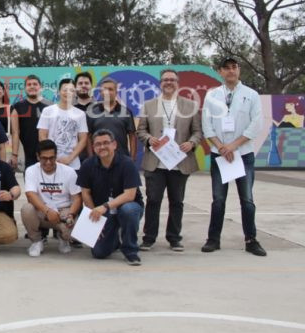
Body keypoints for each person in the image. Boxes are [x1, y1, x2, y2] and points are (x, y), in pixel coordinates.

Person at [201, 58, 266, 256]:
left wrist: (233, 146)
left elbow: (256, 124)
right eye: (226, 68)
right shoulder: (212, 95)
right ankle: (213, 239)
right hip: (219, 155)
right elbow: (206, 125)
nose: (231, 71)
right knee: (218, 200)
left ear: (239, 70)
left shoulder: (251, 94)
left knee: (247, 200)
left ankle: (251, 240)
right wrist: (221, 147)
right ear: (220, 71)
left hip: (243, 155)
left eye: (234, 67)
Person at [136, 69, 203, 252]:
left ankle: (174, 238)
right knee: (153, 201)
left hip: (179, 163)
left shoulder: (190, 105)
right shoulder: (149, 105)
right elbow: (141, 130)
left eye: (172, 79)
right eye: (165, 79)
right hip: (155, 163)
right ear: (160, 83)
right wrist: (149, 139)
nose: (168, 82)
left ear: (178, 83)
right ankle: (149, 238)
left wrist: (191, 143)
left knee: (177, 202)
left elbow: (198, 132)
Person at [77, 129, 144, 266]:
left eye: (106, 143)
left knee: (129, 211)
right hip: (103, 212)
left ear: (114, 144)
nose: (102, 147)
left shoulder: (127, 163)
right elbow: (85, 193)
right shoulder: (87, 165)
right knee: (99, 252)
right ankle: (115, 240)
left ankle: (130, 251)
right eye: (98, 144)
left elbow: (130, 195)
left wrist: (105, 206)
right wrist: (94, 213)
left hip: (126, 207)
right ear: (93, 147)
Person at [21, 139, 82, 256]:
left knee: (74, 232)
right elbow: (30, 194)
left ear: (56, 156)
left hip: (63, 211)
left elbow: (77, 198)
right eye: (44, 158)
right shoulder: (31, 170)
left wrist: (71, 215)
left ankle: (63, 239)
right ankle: (36, 241)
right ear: (38, 157)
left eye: (52, 158)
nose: (48, 162)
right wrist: (47, 211)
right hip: (41, 211)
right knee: (26, 209)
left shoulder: (69, 172)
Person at [37, 78, 88, 170]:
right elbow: (42, 136)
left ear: (75, 93)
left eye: (71, 90)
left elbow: (83, 139)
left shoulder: (80, 114)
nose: (68, 93)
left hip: (73, 165)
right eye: (65, 90)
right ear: (59, 92)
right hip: (51, 163)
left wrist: (69, 159)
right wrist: (53, 157)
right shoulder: (47, 111)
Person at [85, 78, 136, 158]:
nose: (107, 92)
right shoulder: (92, 113)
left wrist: (132, 159)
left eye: (110, 89)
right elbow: (88, 137)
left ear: (116, 92)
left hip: (122, 159)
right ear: (101, 92)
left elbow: (132, 136)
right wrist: (91, 158)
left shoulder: (126, 112)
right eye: (105, 89)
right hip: (99, 160)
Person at [10, 74, 48, 169]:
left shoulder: (49, 106)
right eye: (29, 84)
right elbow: (15, 133)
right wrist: (14, 155)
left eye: (35, 84)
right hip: (27, 155)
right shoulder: (17, 107)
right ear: (25, 88)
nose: (32, 86)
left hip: (47, 152)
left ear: (40, 87)